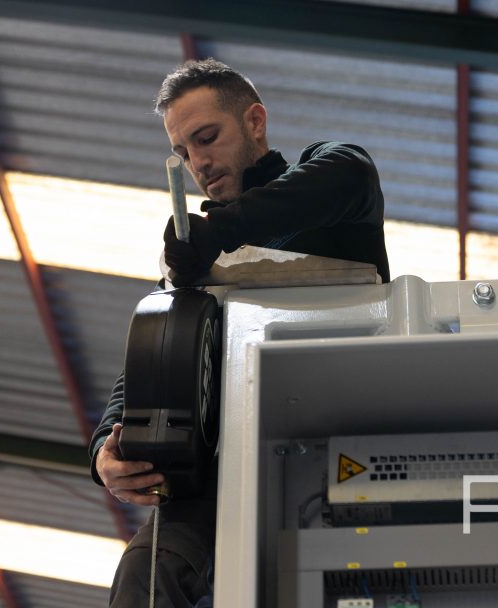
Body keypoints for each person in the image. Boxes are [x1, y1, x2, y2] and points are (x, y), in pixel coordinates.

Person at [91, 58, 390, 607]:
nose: (198, 163)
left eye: (207, 138)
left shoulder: (330, 187)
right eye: (183, 153)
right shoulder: (192, 263)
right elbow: (150, 360)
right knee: (147, 572)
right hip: (224, 478)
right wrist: (103, 454)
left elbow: (350, 174)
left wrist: (217, 233)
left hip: (350, 452)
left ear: (255, 121)